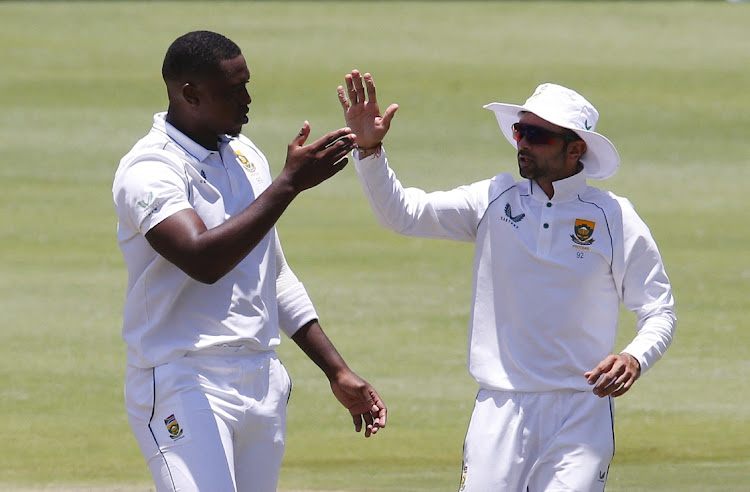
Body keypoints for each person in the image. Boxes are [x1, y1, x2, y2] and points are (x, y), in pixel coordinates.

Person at [337, 70, 675, 491]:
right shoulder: (494, 199)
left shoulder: (615, 217)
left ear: (576, 149)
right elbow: (404, 214)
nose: (524, 144)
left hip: (581, 412)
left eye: (538, 135)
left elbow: (659, 309)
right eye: (520, 131)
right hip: (500, 406)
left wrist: (635, 357)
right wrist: (370, 150)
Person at [112, 32, 386, 492]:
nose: (247, 99)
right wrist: (289, 185)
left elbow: (270, 273)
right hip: (184, 378)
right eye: (233, 90)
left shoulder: (245, 155)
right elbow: (202, 259)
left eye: (247, 84)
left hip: (261, 379)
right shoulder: (149, 170)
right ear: (190, 94)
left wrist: (335, 369)